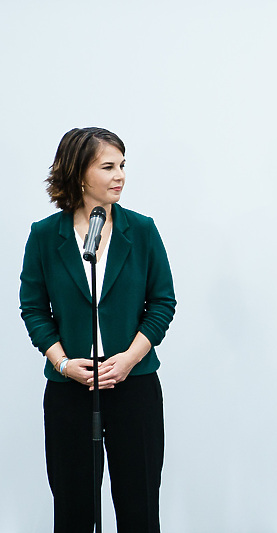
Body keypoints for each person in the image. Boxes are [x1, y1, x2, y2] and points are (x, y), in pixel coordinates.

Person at [20, 127, 176, 532]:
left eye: (122, 165)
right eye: (108, 166)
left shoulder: (141, 230)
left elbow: (162, 303)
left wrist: (128, 359)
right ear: (79, 172)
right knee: (73, 508)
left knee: (139, 505)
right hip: (70, 388)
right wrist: (62, 362)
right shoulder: (43, 235)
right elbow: (34, 309)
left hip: (134, 384)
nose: (119, 175)